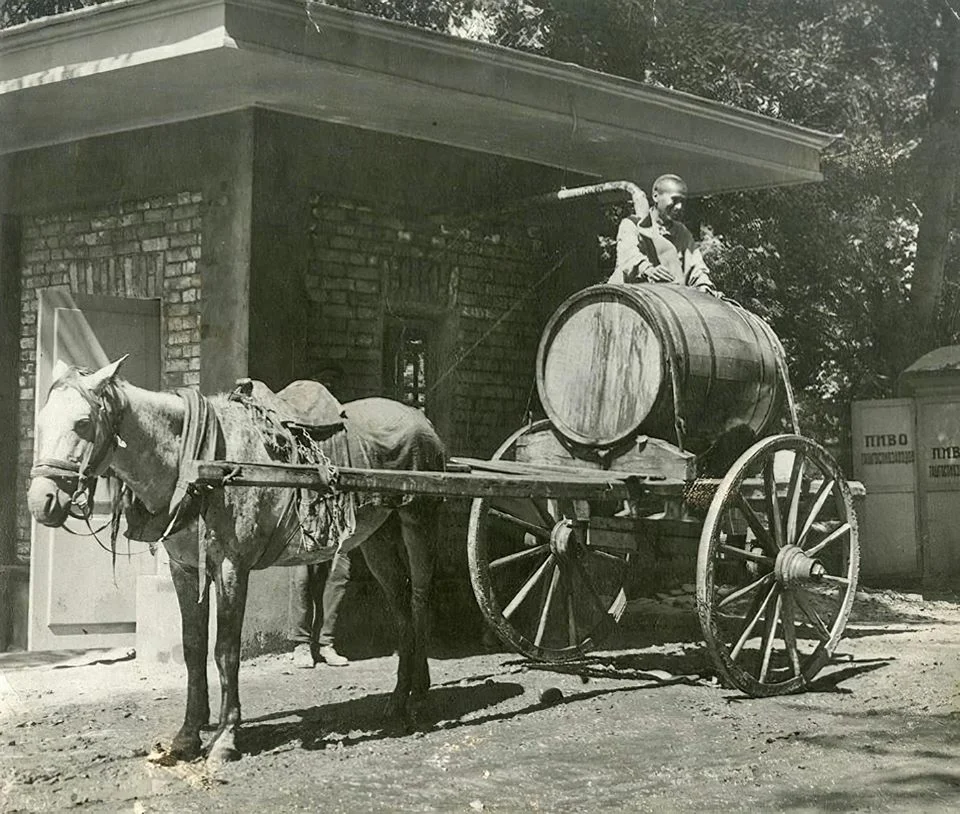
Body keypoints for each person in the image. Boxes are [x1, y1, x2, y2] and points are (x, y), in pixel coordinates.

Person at [608, 173, 720, 297]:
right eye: (675, 200)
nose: (679, 207)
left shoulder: (681, 232)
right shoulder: (632, 224)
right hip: (627, 300)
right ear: (656, 197)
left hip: (667, 299)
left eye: (682, 202)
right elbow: (627, 256)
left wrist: (703, 285)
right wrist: (647, 269)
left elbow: (695, 265)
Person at [289, 551, 351, 668]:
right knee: (301, 579)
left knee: (338, 575)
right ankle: (302, 644)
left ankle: (326, 644)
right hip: (302, 535)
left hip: (338, 535)